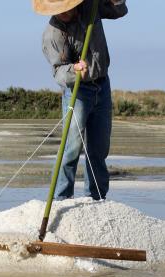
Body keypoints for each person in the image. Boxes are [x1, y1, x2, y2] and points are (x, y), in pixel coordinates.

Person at [33, 0, 128, 200]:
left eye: (67, 8)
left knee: (99, 148)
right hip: (77, 90)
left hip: (102, 85)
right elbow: (58, 72)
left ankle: (97, 197)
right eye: (60, 11)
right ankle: (61, 199)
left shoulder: (90, 7)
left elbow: (118, 11)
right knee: (71, 148)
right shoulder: (52, 34)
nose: (65, 13)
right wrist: (73, 70)